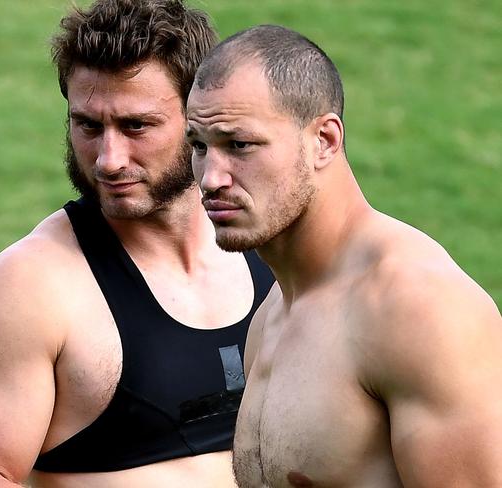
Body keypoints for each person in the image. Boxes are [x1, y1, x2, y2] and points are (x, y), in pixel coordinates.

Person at [0, 2, 274, 487]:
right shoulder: (28, 290)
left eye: (136, 126)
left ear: (200, 118)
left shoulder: (280, 252)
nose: (109, 161)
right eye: (89, 126)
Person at [186, 24, 502, 488]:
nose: (211, 177)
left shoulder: (416, 307)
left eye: (240, 145)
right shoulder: (271, 314)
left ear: (325, 141)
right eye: (199, 146)